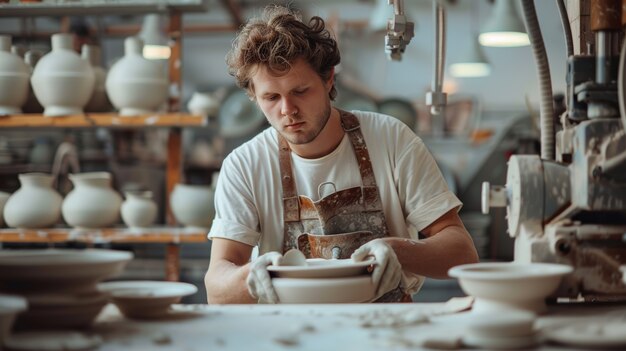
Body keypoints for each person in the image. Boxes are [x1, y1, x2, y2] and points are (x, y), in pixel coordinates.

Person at [204, 5, 478, 304]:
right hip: (292, 331)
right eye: (271, 97)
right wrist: (250, 277)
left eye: (300, 91)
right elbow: (216, 289)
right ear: (254, 97)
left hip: (387, 328)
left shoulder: (391, 139)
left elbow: (462, 252)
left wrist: (399, 251)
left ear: (329, 79)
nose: (288, 110)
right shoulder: (244, 165)